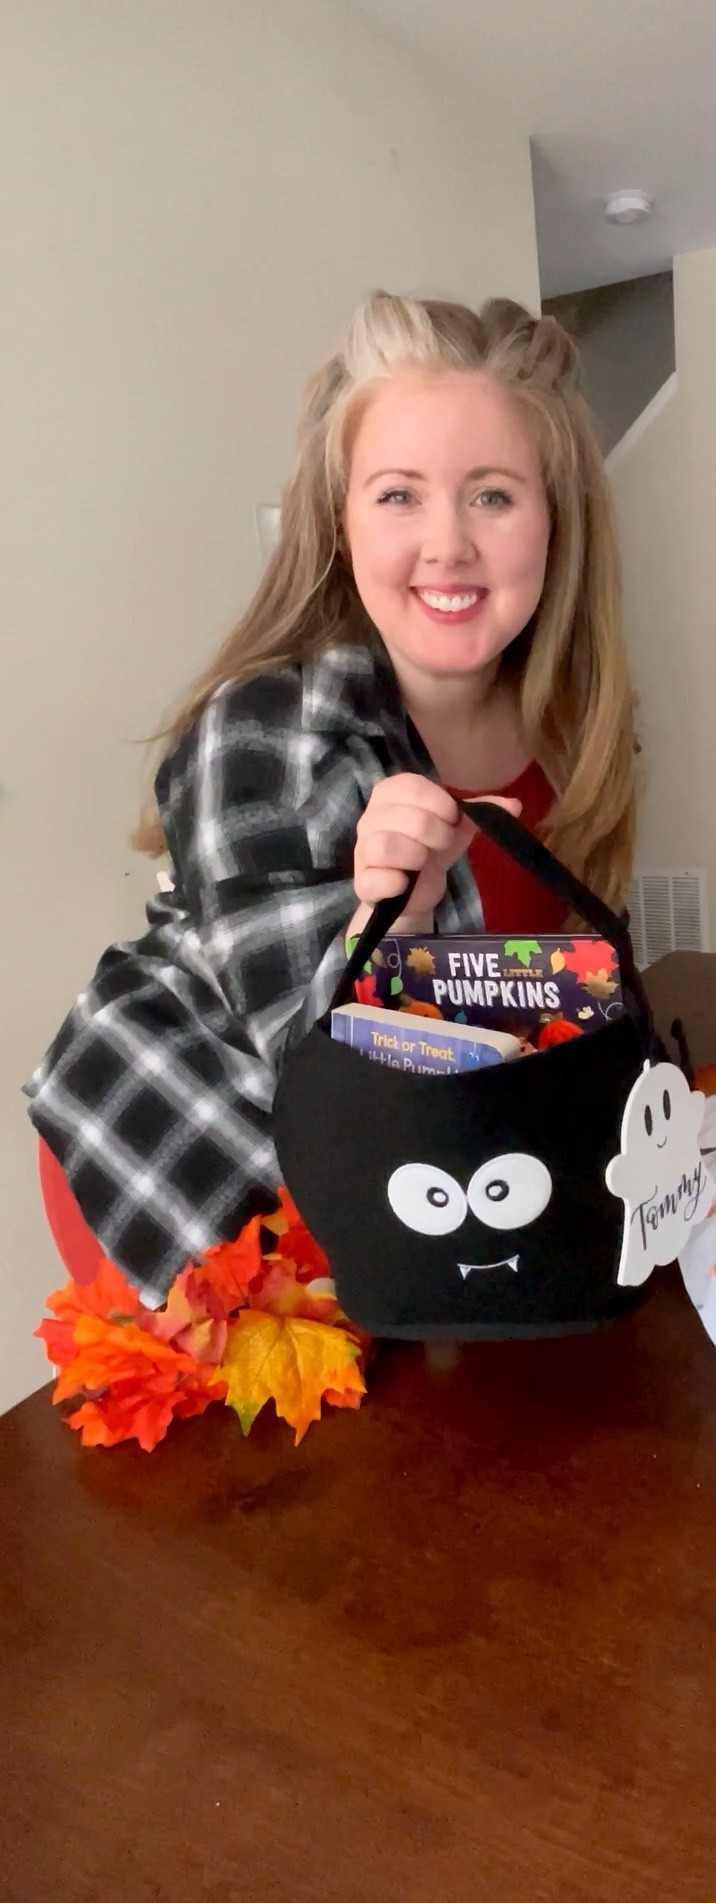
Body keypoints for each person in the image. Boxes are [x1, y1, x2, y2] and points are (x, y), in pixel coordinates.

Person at [28, 292, 638, 1300]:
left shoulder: (575, 730)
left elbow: (546, 991)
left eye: (493, 495)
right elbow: (326, 1082)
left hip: (431, 1165)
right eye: (399, 495)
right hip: (194, 1163)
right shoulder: (261, 734)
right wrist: (396, 913)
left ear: (556, 519)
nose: (448, 544)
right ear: (340, 521)